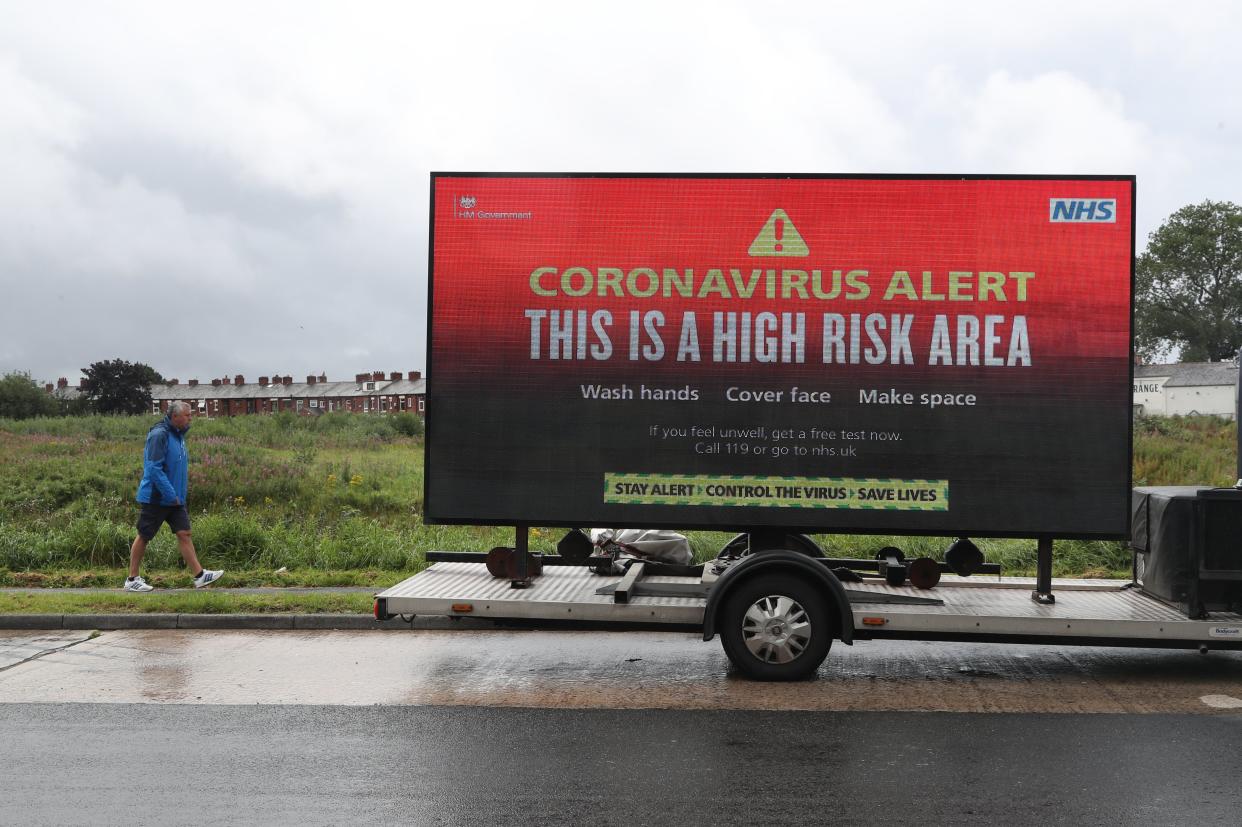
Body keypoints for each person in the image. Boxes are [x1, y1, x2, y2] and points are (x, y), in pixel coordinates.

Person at [123, 400, 224, 592]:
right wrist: (170, 493)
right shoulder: (159, 435)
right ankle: (132, 579)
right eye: (187, 415)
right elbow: (153, 468)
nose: (190, 418)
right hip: (157, 496)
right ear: (175, 416)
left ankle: (200, 576)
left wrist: (177, 494)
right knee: (144, 535)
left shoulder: (177, 435)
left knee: (184, 533)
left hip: (174, 498)